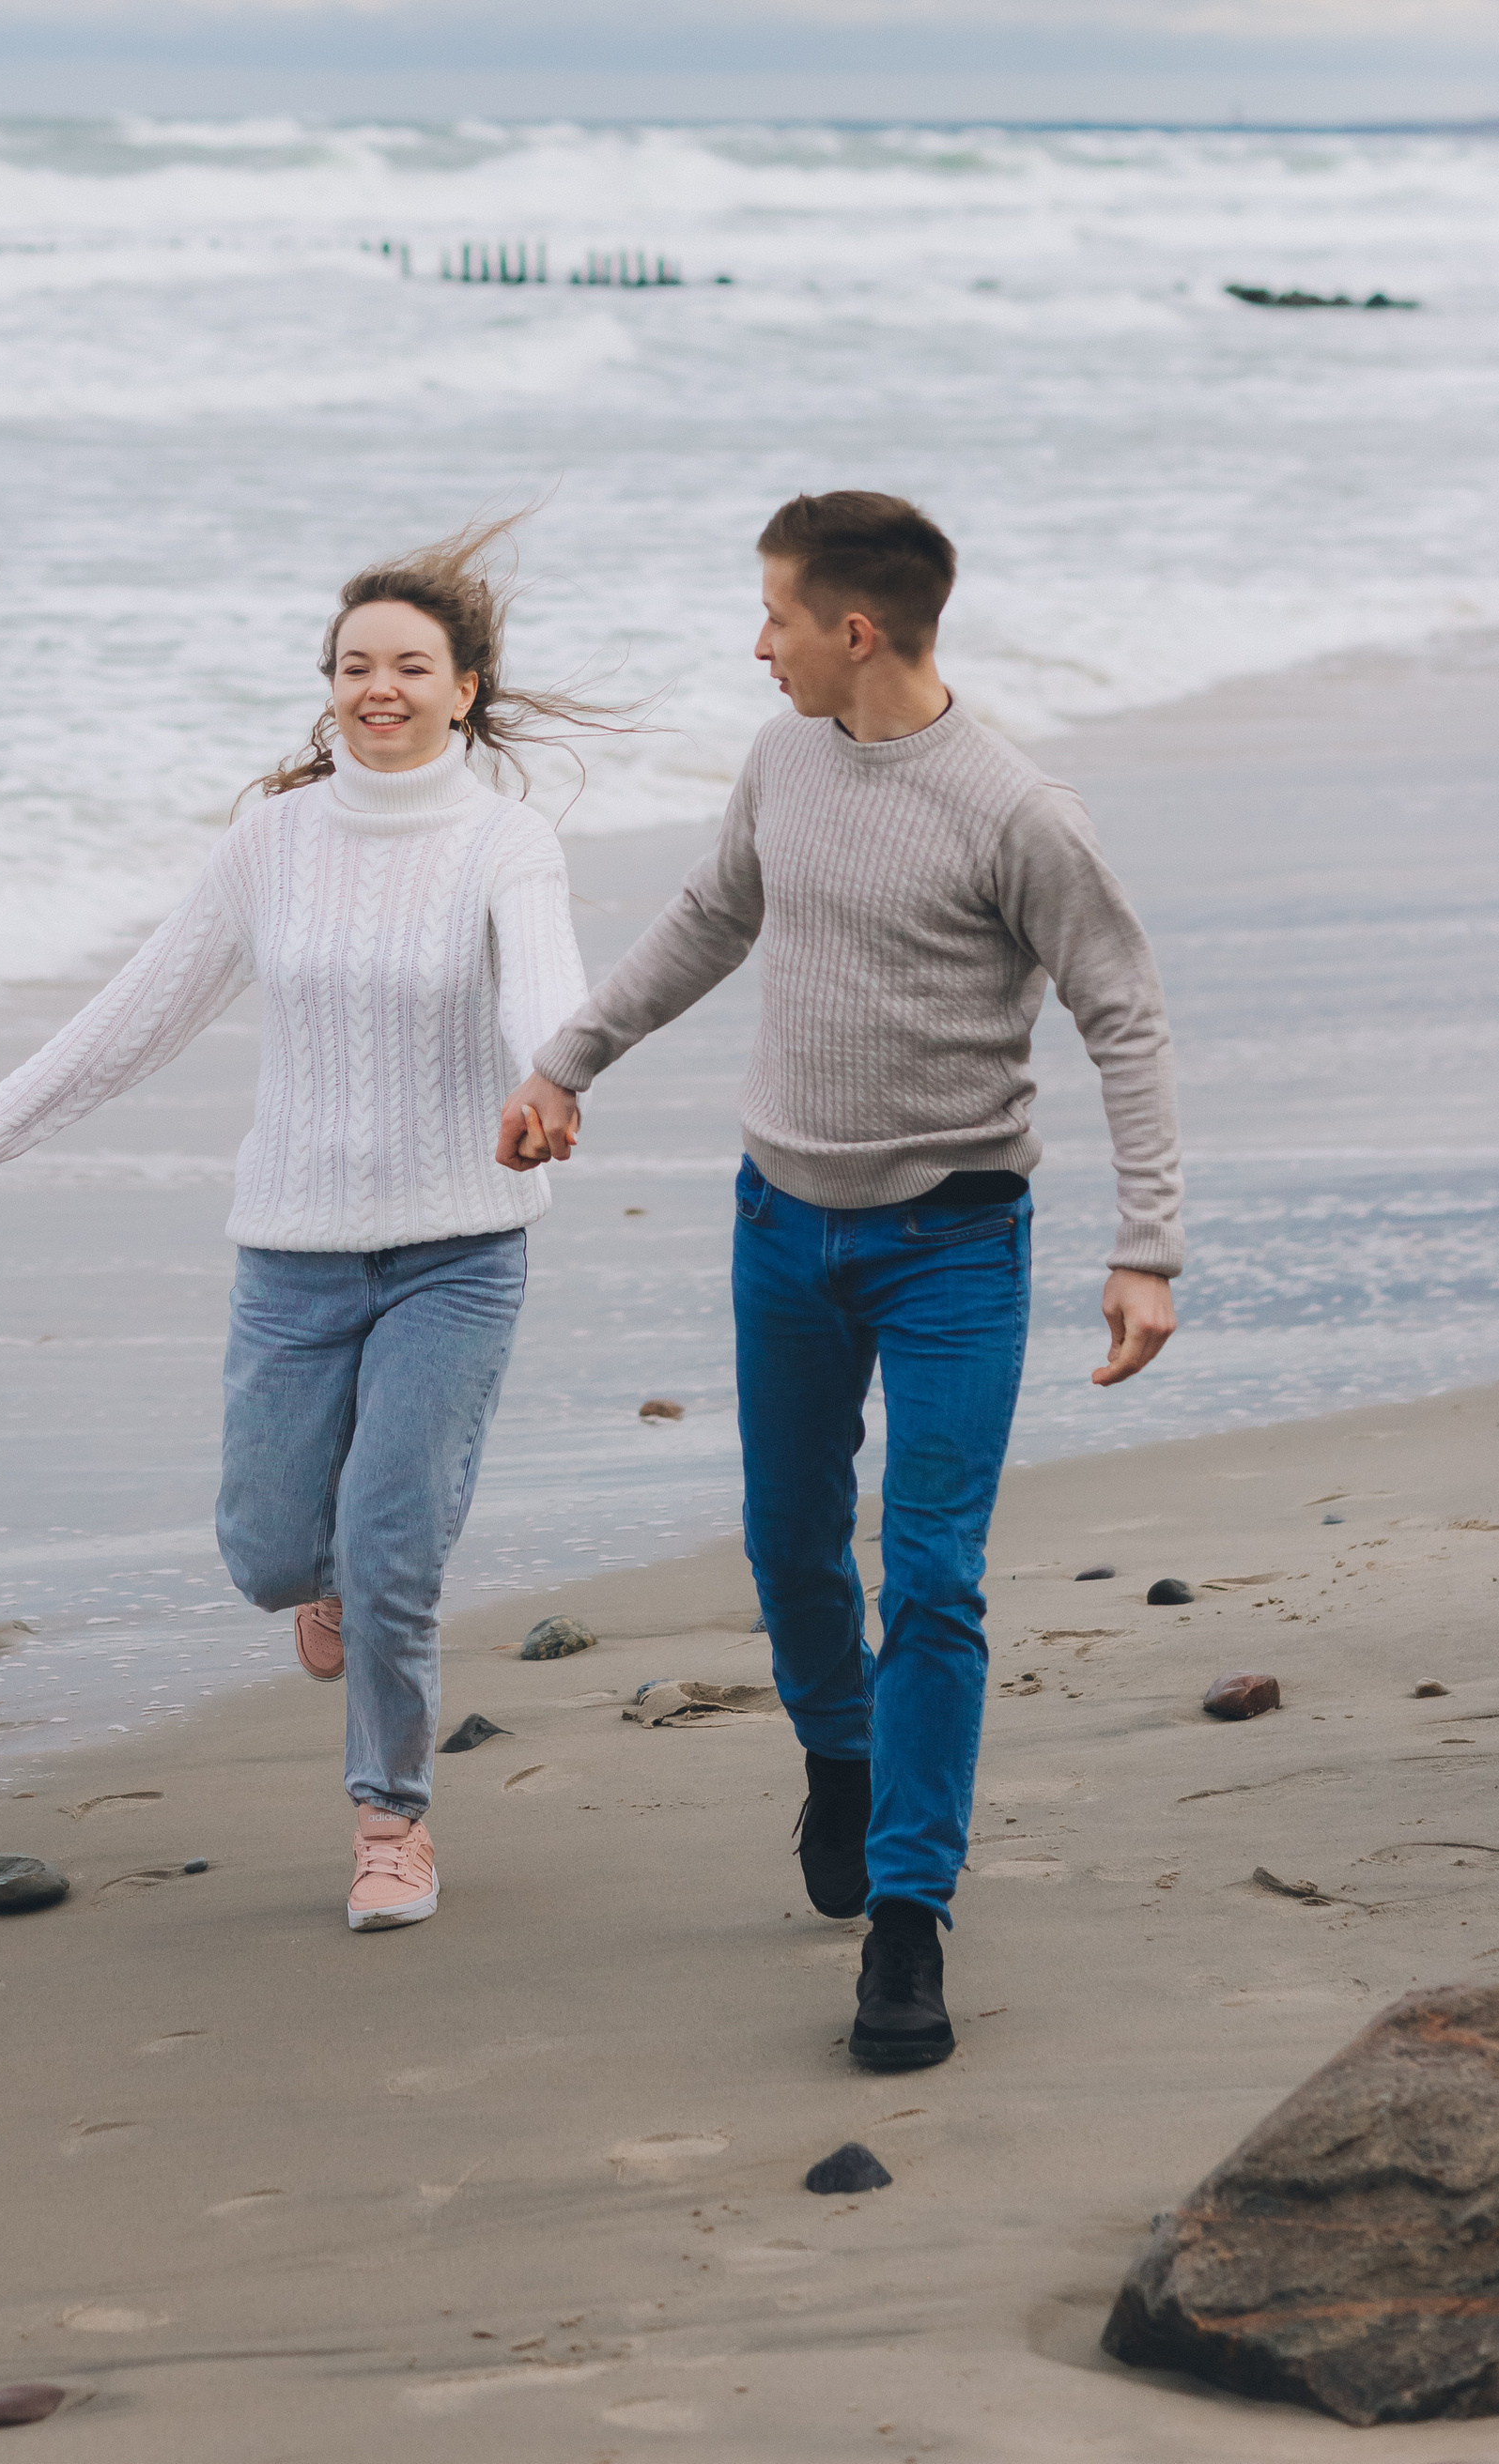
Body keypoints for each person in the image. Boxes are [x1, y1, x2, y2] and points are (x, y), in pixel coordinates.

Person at [499, 491, 1181, 2071]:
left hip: (952, 1241)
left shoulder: (1017, 813)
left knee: (930, 1575)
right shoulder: (782, 760)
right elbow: (711, 916)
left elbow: (1124, 1018)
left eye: (776, 618)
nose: (760, 645)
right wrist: (566, 1061)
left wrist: (1147, 1246)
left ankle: (908, 1921)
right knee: (791, 1540)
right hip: (778, 1226)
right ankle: (838, 1754)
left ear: (853, 630)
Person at [0, 526, 610, 1935]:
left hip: (459, 1249)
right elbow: (141, 1012)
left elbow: (548, 983)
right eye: (357, 666)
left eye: (412, 666)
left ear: (466, 687)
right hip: (292, 1252)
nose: (381, 689)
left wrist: (553, 1080)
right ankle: (325, 1587)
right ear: (329, 684)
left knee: (394, 1546)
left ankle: (390, 1822)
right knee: (273, 1549)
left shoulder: (504, 841)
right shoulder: (272, 843)